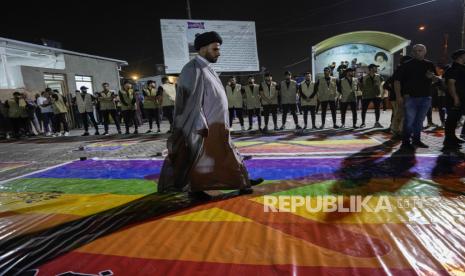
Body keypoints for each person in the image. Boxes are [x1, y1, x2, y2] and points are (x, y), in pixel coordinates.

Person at [158, 31, 262, 199]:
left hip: (218, 124)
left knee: (227, 153)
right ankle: (197, 190)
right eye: (215, 49)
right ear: (204, 48)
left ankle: (243, 181)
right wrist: (200, 123)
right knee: (202, 159)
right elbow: (190, 100)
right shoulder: (192, 69)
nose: (218, 53)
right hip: (205, 126)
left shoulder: (206, 67)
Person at [395, 44, 439, 149]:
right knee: (409, 121)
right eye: (415, 51)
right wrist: (398, 97)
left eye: (420, 50)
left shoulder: (429, 64)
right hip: (410, 97)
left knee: (419, 121)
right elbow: (397, 81)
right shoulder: (406, 65)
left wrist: (432, 77)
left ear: (425, 52)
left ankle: (417, 140)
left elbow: (436, 79)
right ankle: (405, 142)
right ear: (412, 52)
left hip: (426, 97)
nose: (418, 52)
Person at [443, 49, 465, 148]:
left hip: (461, 98)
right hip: (455, 99)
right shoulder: (453, 69)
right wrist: (455, 98)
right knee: (451, 120)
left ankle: (453, 138)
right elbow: (451, 84)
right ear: (460, 57)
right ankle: (448, 140)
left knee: (455, 119)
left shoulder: (461, 68)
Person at [359, 64, 384, 128]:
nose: (376, 69)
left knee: (377, 109)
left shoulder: (379, 77)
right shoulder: (363, 77)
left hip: (376, 95)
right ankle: (363, 123)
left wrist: (381, 94)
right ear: (371, 69)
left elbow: (382, 85)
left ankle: (377, 122)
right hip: (366, 95)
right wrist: (364, 91)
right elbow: (360, 86)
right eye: (375, 67)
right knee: (364, 110)